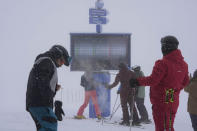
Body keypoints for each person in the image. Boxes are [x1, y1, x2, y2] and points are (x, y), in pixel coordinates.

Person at [130, 35, 189, 131]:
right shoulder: (184, 65)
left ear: (166, 47)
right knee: (169, 126)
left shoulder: (162, 63)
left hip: (162, 99)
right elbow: (185, 82)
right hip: (173, 98)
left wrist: (137, 81)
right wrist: (175, 89)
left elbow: (153, 80)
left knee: (162, 126)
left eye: (162, 45)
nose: (161, 48)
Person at [26, 45, 71, 131]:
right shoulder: (46, 62)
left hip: (38, 102)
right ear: (57, 55)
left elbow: (43, 82)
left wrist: (54, 89)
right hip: (39, 103)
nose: (61, 65)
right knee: (50, 125)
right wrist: (48, 100)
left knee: (46, 126)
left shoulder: (47, 62)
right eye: (61, 61)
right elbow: (42, 81)